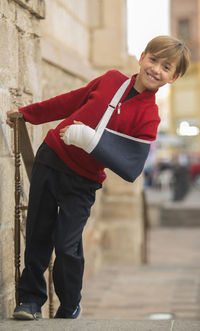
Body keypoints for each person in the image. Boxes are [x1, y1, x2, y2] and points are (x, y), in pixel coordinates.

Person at [6, 35, 190, 320]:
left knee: (67, 245)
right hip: (51, 158)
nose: (156, 69)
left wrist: (89, 141)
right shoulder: (111, 79)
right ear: (141, 57)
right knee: (38, 232)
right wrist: (28, 114)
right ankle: (30, 300)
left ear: (173, 77)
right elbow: (71, 101)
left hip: (82, 180)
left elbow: (131, 168)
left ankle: (69, 305)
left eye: (166, 67)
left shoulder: (149, 117)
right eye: (153, 60)